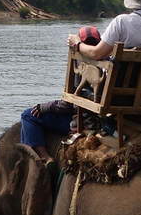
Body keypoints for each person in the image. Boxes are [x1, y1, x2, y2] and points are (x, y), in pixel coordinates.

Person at [19, 27, 101, 164]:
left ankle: (44, 158)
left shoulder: (82, 65)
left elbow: (68, 104)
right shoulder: (107, 64)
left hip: (83, 120)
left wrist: (45, 107)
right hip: (104, 119)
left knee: (28, 115)